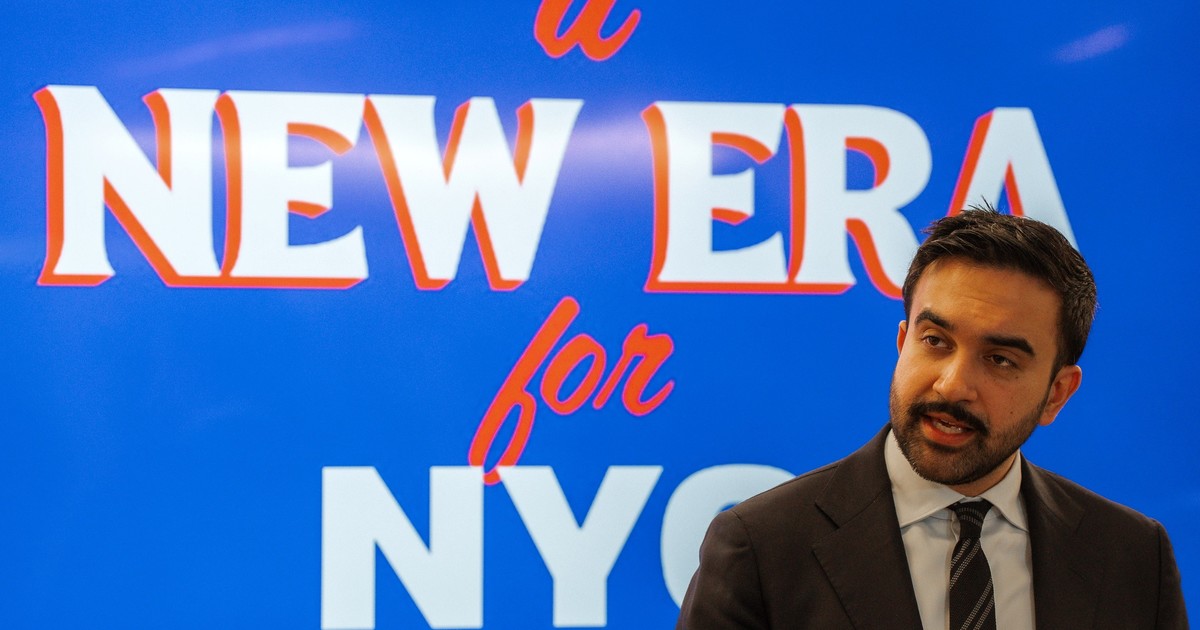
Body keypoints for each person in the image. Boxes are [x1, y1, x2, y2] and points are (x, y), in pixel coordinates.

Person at [675, 207, 1188, 629]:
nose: (951, 385)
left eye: (1000, 360)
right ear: (903, 344)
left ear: (1057, 393)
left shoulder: (1134, 557)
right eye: (935, 341)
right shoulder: (761, 547)